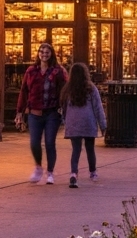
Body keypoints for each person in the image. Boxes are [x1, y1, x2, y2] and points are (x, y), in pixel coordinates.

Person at [16, 43, 67, 184]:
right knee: (34, 143)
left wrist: (63, 106)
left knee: (50, 142)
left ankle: (50, 172)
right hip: (34, 112)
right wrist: (20, 111)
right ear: (38, 54)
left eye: (47, 52)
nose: (44, 54)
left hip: (52, 112)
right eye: (42, 52)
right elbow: (24, 91)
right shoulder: (31, 71)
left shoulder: (58, 71)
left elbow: (64, 90)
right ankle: (38, 167)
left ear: (52, 54)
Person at [60, 62, 106, 189]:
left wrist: (66, 122)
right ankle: (93, 172)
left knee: (76, 150)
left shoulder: (67, 90)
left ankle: (74, 173)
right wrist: (103, 125)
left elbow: (63, 108)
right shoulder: (91, 88)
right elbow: (98, 107)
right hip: (88, 122)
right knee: (90, 148)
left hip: (73, 123)